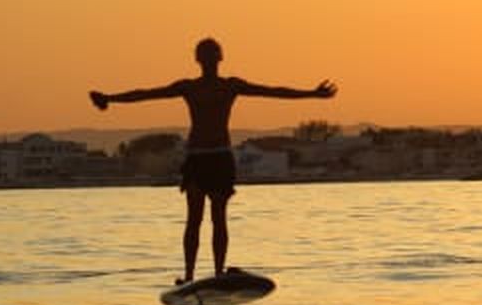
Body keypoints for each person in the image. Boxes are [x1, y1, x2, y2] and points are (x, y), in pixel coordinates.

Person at [89, 38, 337, 284]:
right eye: (203, 54)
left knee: (219, 217)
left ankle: (218, 272)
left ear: (220, 58)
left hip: (220, 157)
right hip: (197, 158)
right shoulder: (188, 87)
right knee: (193, 218)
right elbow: (147, 94)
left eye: (212, 53)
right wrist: (110, 98)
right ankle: (188, 276)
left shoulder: (230, 86)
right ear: (198, 59)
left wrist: (312, 94)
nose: (208, 58)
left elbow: (273, 91)